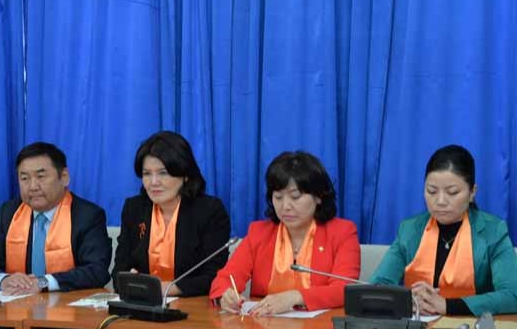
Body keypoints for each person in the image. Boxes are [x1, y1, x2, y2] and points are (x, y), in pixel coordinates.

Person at [371, 145, 517, 316]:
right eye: (431, 191)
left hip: (472, 326)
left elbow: (512, 295)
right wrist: (407, 300)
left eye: (452, 192)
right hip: (418, 323)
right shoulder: (409, 230)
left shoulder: (493, 231)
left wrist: (446, 305)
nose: (440, 201)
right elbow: (377, 286)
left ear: (472, 192)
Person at [210, 151, 360, 316]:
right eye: (278, 197)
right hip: (263, 325)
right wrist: (225, 295)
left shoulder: (342, 233)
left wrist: (295, 297)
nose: (285, 206)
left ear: (318, 197)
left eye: (295, 197)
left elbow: (344, 289)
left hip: (320, 327)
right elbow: (225, 279)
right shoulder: (259, 233)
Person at [0, 142, 111, 294]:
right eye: (24, 178)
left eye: (41, 176)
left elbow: (97, 271)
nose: (33, 186)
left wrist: (43, 283)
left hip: (66, 303)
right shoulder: (9, 212)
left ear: (64, 177)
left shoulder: (87, 215)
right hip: (15, 302)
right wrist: (3, 280)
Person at [112, 131, 230, 296]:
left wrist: (165, 289)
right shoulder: (134, 209)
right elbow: (119, 271)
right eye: (147, 174)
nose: (153, 182)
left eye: (163, 173)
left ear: (185, 175)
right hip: (142, 304)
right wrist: (129, 281)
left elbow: (214, 275)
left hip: (192, 306)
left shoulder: (209, 211)